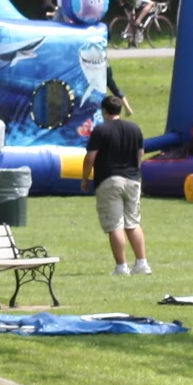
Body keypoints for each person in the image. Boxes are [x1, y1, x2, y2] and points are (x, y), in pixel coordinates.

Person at [83, 91, 149, 275]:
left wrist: (85, 178)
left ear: (104, 111)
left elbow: (90, 158)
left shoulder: (101, 130)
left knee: (115, 225)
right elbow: (140, 153)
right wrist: (135, 170)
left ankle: (121, 266)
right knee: (133, 223)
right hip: (132, 179)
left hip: (109, 179)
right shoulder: (134, 128)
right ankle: (142, 263)